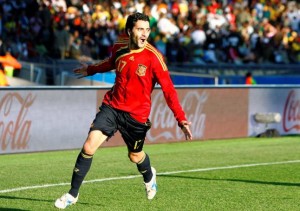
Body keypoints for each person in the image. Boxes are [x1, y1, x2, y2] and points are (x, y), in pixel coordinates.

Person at [54, 12, 192, 209]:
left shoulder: (154, 58)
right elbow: (111, 63)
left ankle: (149, 175)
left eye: (147, 30)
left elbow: (169, 90)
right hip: (112, 106)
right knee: (88, 146)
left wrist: (181, 119)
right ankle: (72, 194)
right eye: (140, 29)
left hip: (136, 115)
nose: (145, 34)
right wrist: (91, 69)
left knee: (134, 156)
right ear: (129, 31)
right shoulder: (120, 46)